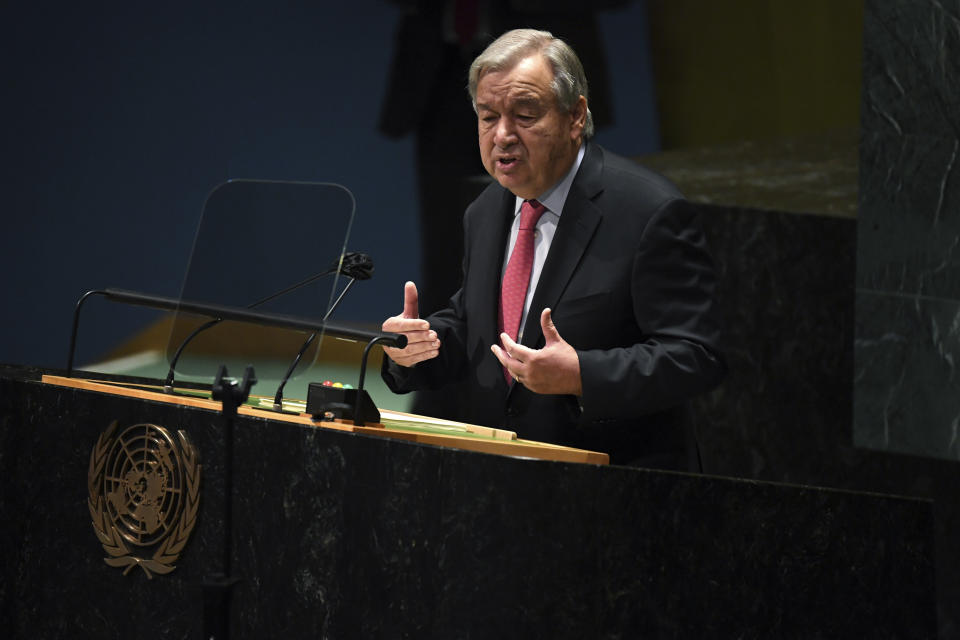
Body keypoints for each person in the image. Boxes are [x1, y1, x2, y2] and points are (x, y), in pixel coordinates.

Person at [380, 28, 725, 470]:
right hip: (504, 482)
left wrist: (582, 374)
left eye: (525, 115)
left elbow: (698, 355)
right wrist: (420, 346)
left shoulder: (648, 211)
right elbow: (479, 327)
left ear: (575, 115)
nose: (502, 135)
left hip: (617, 488)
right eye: (487, 116)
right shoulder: (485, 209)